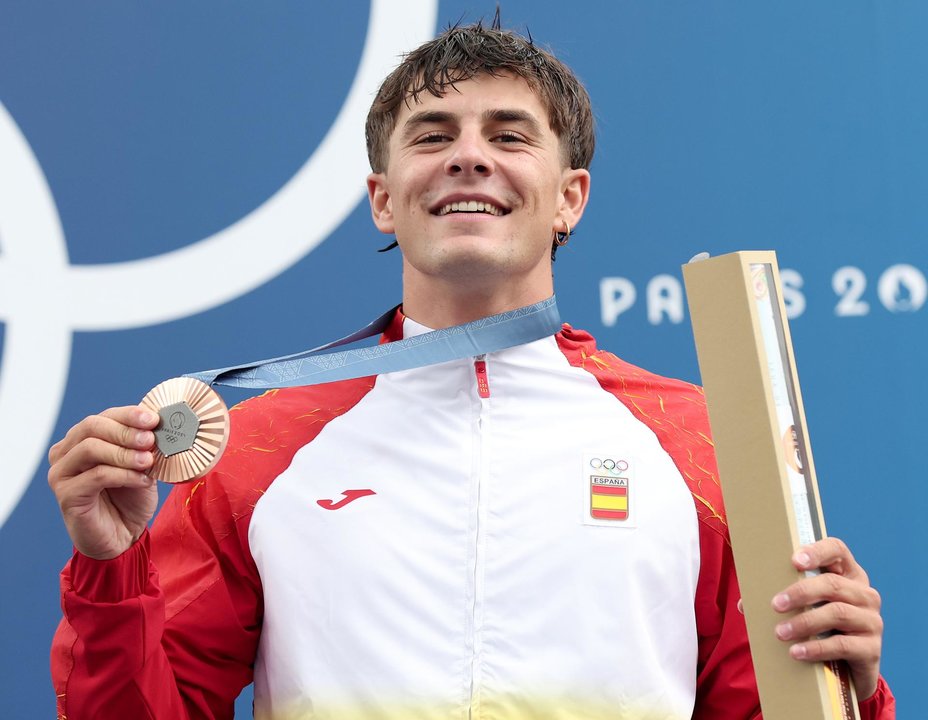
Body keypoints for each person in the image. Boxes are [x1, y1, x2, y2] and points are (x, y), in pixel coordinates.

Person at [49, 19, 894, 720]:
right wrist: (112, 573)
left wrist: (850, 686)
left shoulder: (704, 441)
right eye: (433, 136)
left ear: (570, 196)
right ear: (384, 196)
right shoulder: (263, 448)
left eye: (510, 135)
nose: (469, 157)